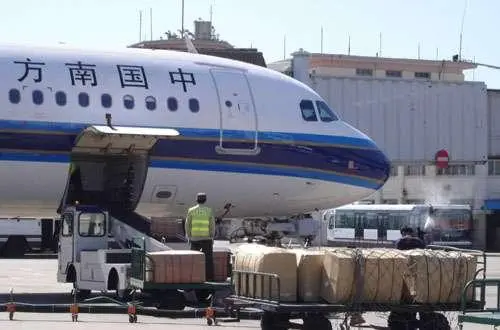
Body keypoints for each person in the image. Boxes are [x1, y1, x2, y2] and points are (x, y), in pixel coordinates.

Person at [184, 192, 215, 281]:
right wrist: (212, 236)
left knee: (194, 259)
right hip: (206, 238)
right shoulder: (209, 210)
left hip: (194, 239)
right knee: (208, 259)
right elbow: (212, 225)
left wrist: (189, 236)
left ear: (196, 200)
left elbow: (187, 224)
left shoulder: (191, 210)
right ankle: (209, 278)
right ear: (205, 200)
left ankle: (194, 276)